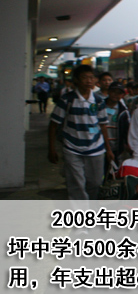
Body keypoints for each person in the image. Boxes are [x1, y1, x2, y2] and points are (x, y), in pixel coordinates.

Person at [47, 65, 114, 200]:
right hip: (72, 148)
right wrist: (51, 149)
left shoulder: (98, 101)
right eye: (84, 78)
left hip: (96, 148)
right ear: (76, 80)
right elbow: (53, 125)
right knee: (76, 184)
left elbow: (102, 126)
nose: (89, 81)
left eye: (91, 77)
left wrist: (108, 149)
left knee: (95, 183)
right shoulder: (67, 99)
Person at [100, 81, 130, 164]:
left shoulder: (123, 111)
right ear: (108, 92)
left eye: (119, 93)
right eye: (113, 92)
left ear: (122, 95)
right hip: (100, 145)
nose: (115, 95)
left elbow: (126, 129)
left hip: (117, 147)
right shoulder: (99, 106)